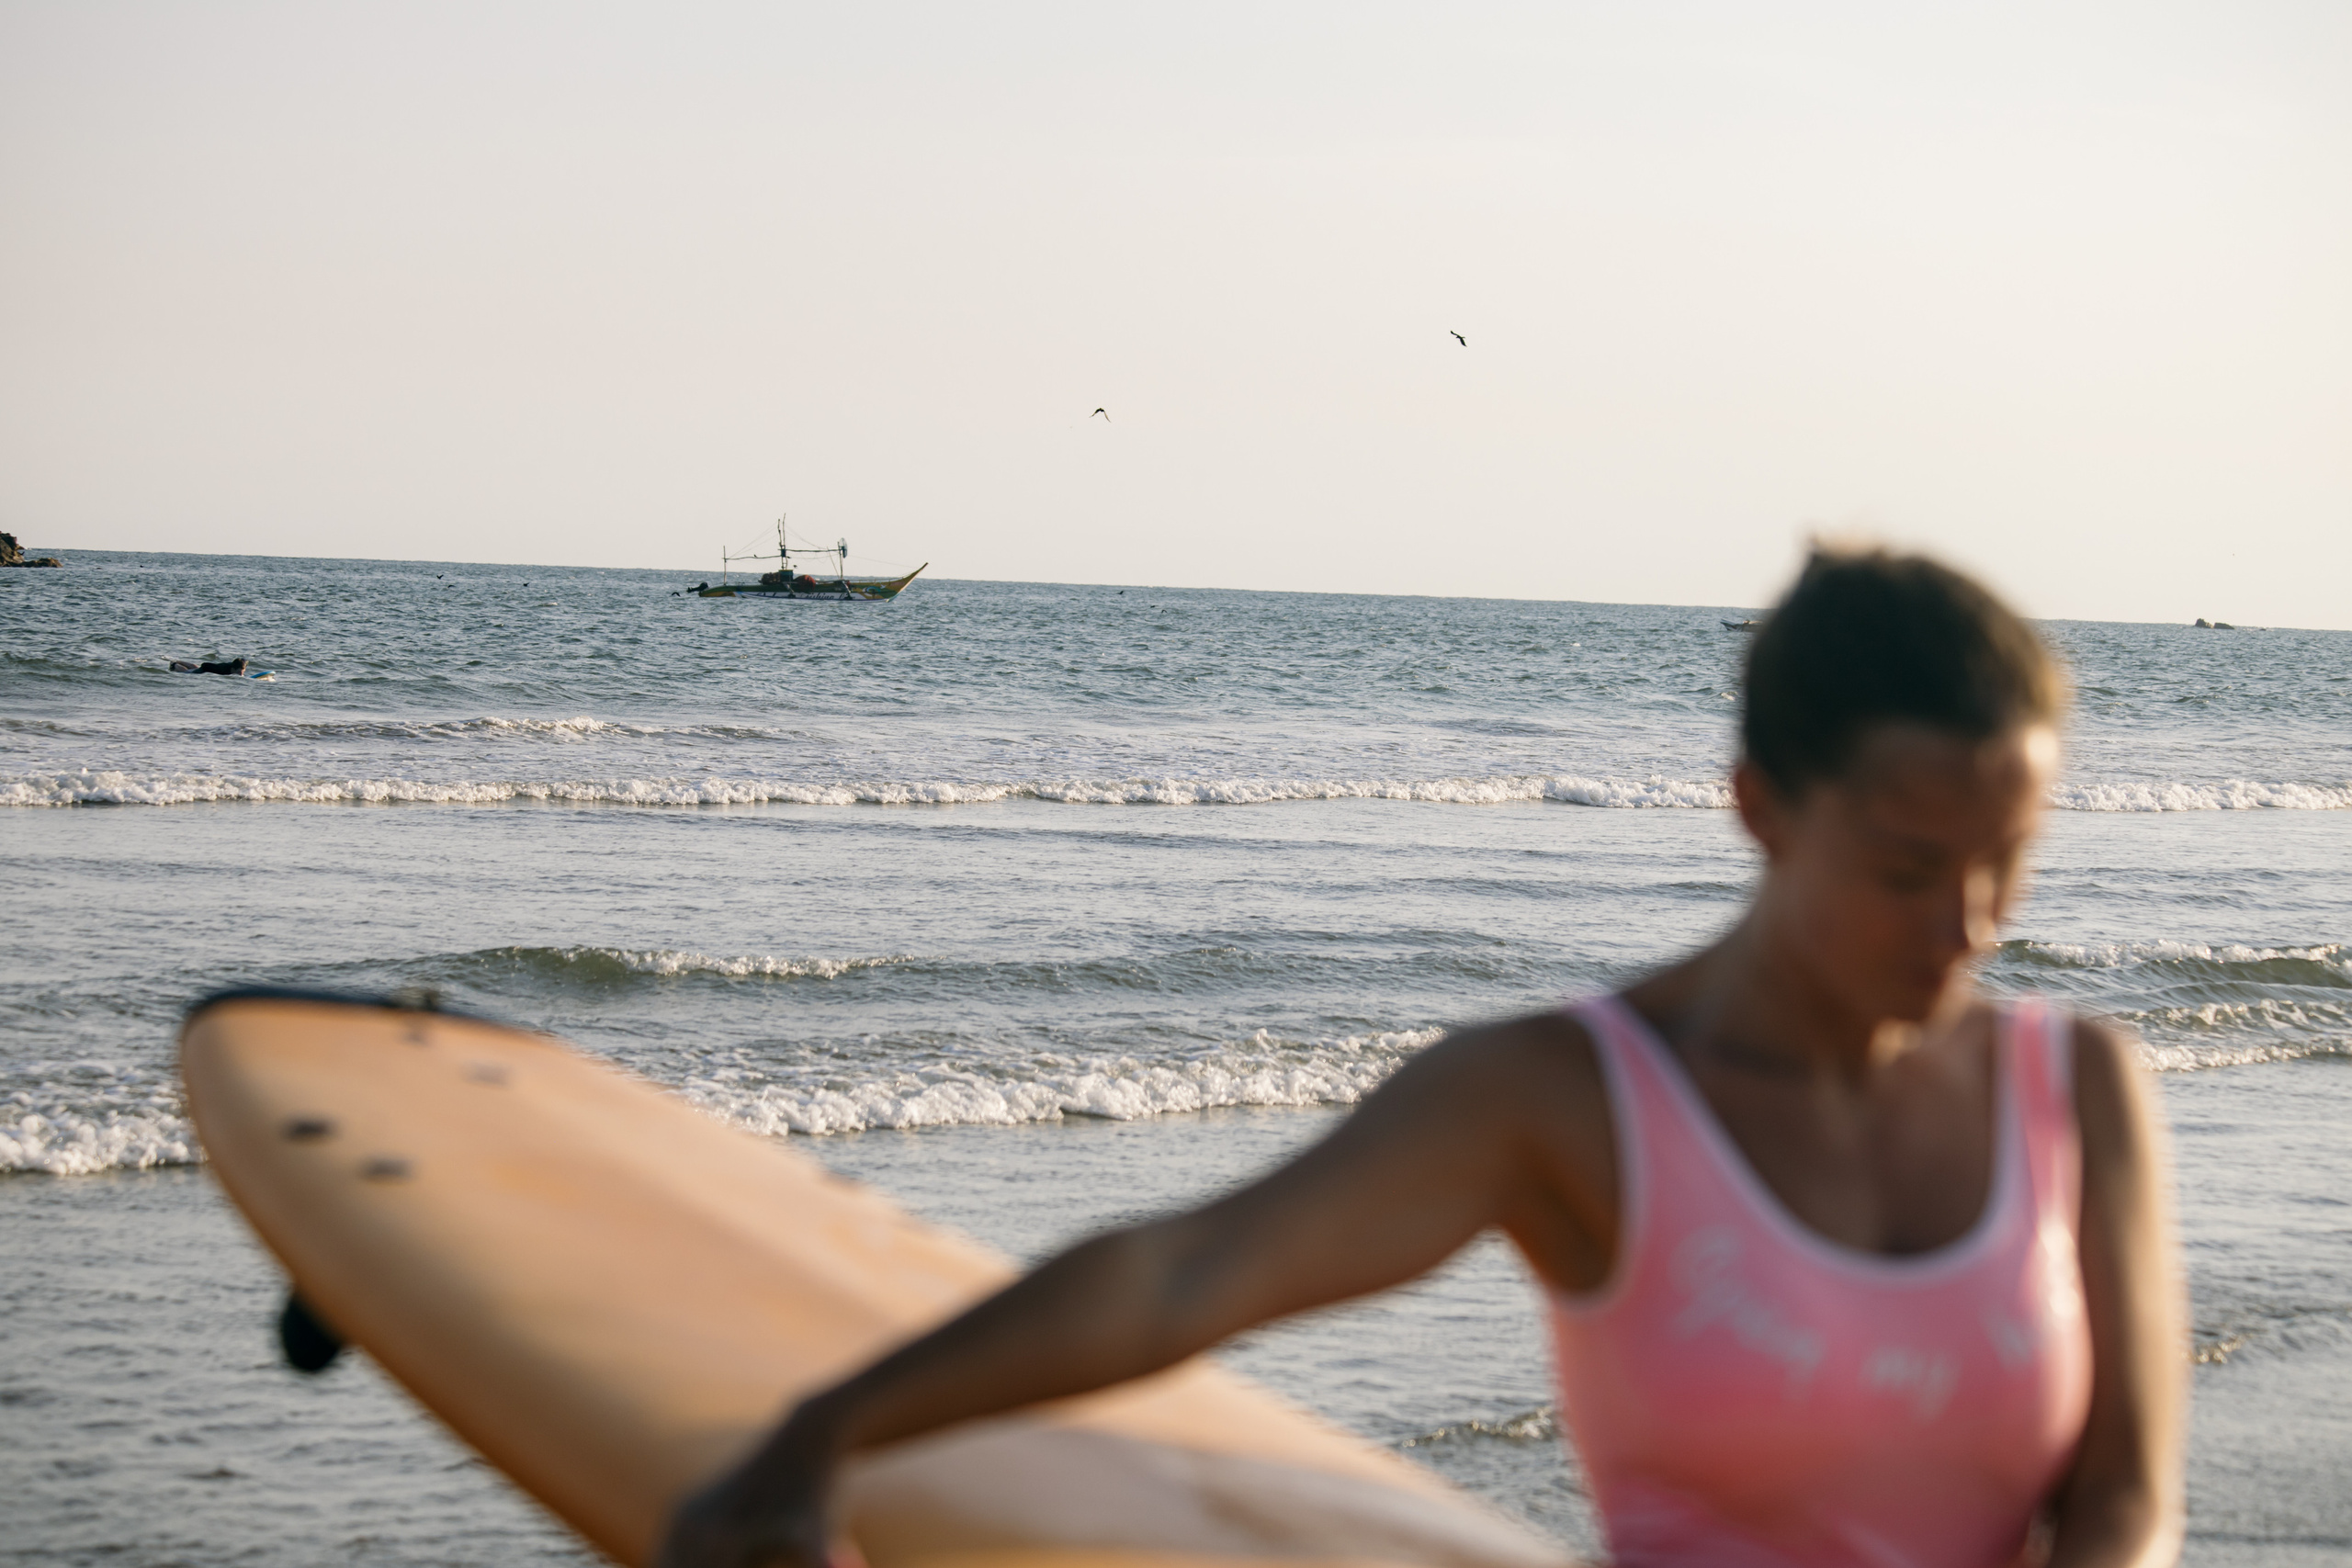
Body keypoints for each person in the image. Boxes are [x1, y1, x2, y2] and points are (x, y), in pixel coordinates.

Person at [660, 547, 2185, 1568]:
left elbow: (2125, 1494)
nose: (1967, 927)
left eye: (2009, 861)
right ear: (1760, 807)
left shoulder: (2077, 1091)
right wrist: (826, 1432)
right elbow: (1188, 1278)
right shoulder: (1570, 1101)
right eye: (1910, 867)